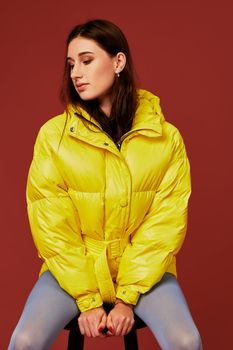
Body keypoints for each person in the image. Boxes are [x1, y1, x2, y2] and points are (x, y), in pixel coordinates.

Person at [8, 19, 203, 350]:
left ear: (118, 62)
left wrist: (127, 296)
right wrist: (87, 299)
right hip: (72, 273)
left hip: (145, 275)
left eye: (86, 60)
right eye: (71, 65)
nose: (75, 74)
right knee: (24, 341)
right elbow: (52, 227)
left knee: (186, 341)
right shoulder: (53, 137)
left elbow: (165, 224)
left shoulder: (166, 138)